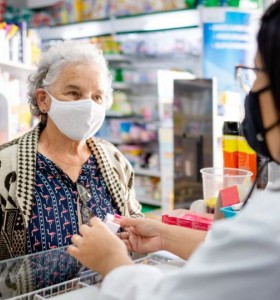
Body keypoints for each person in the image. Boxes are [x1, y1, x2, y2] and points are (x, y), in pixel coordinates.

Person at [68, 2, 280, 299]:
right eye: (73, 93)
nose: (252, 89)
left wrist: (113, 263)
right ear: (42, 99)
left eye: (257, 73)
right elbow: (233, 261)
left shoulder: (270, 225)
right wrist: (165, 236)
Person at [0, 40, 143, 262]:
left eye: (97, 97)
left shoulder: (115, 161)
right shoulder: (5, 166)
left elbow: (134, 224)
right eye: (74, 93)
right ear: (43, 100)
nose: (87, 106)